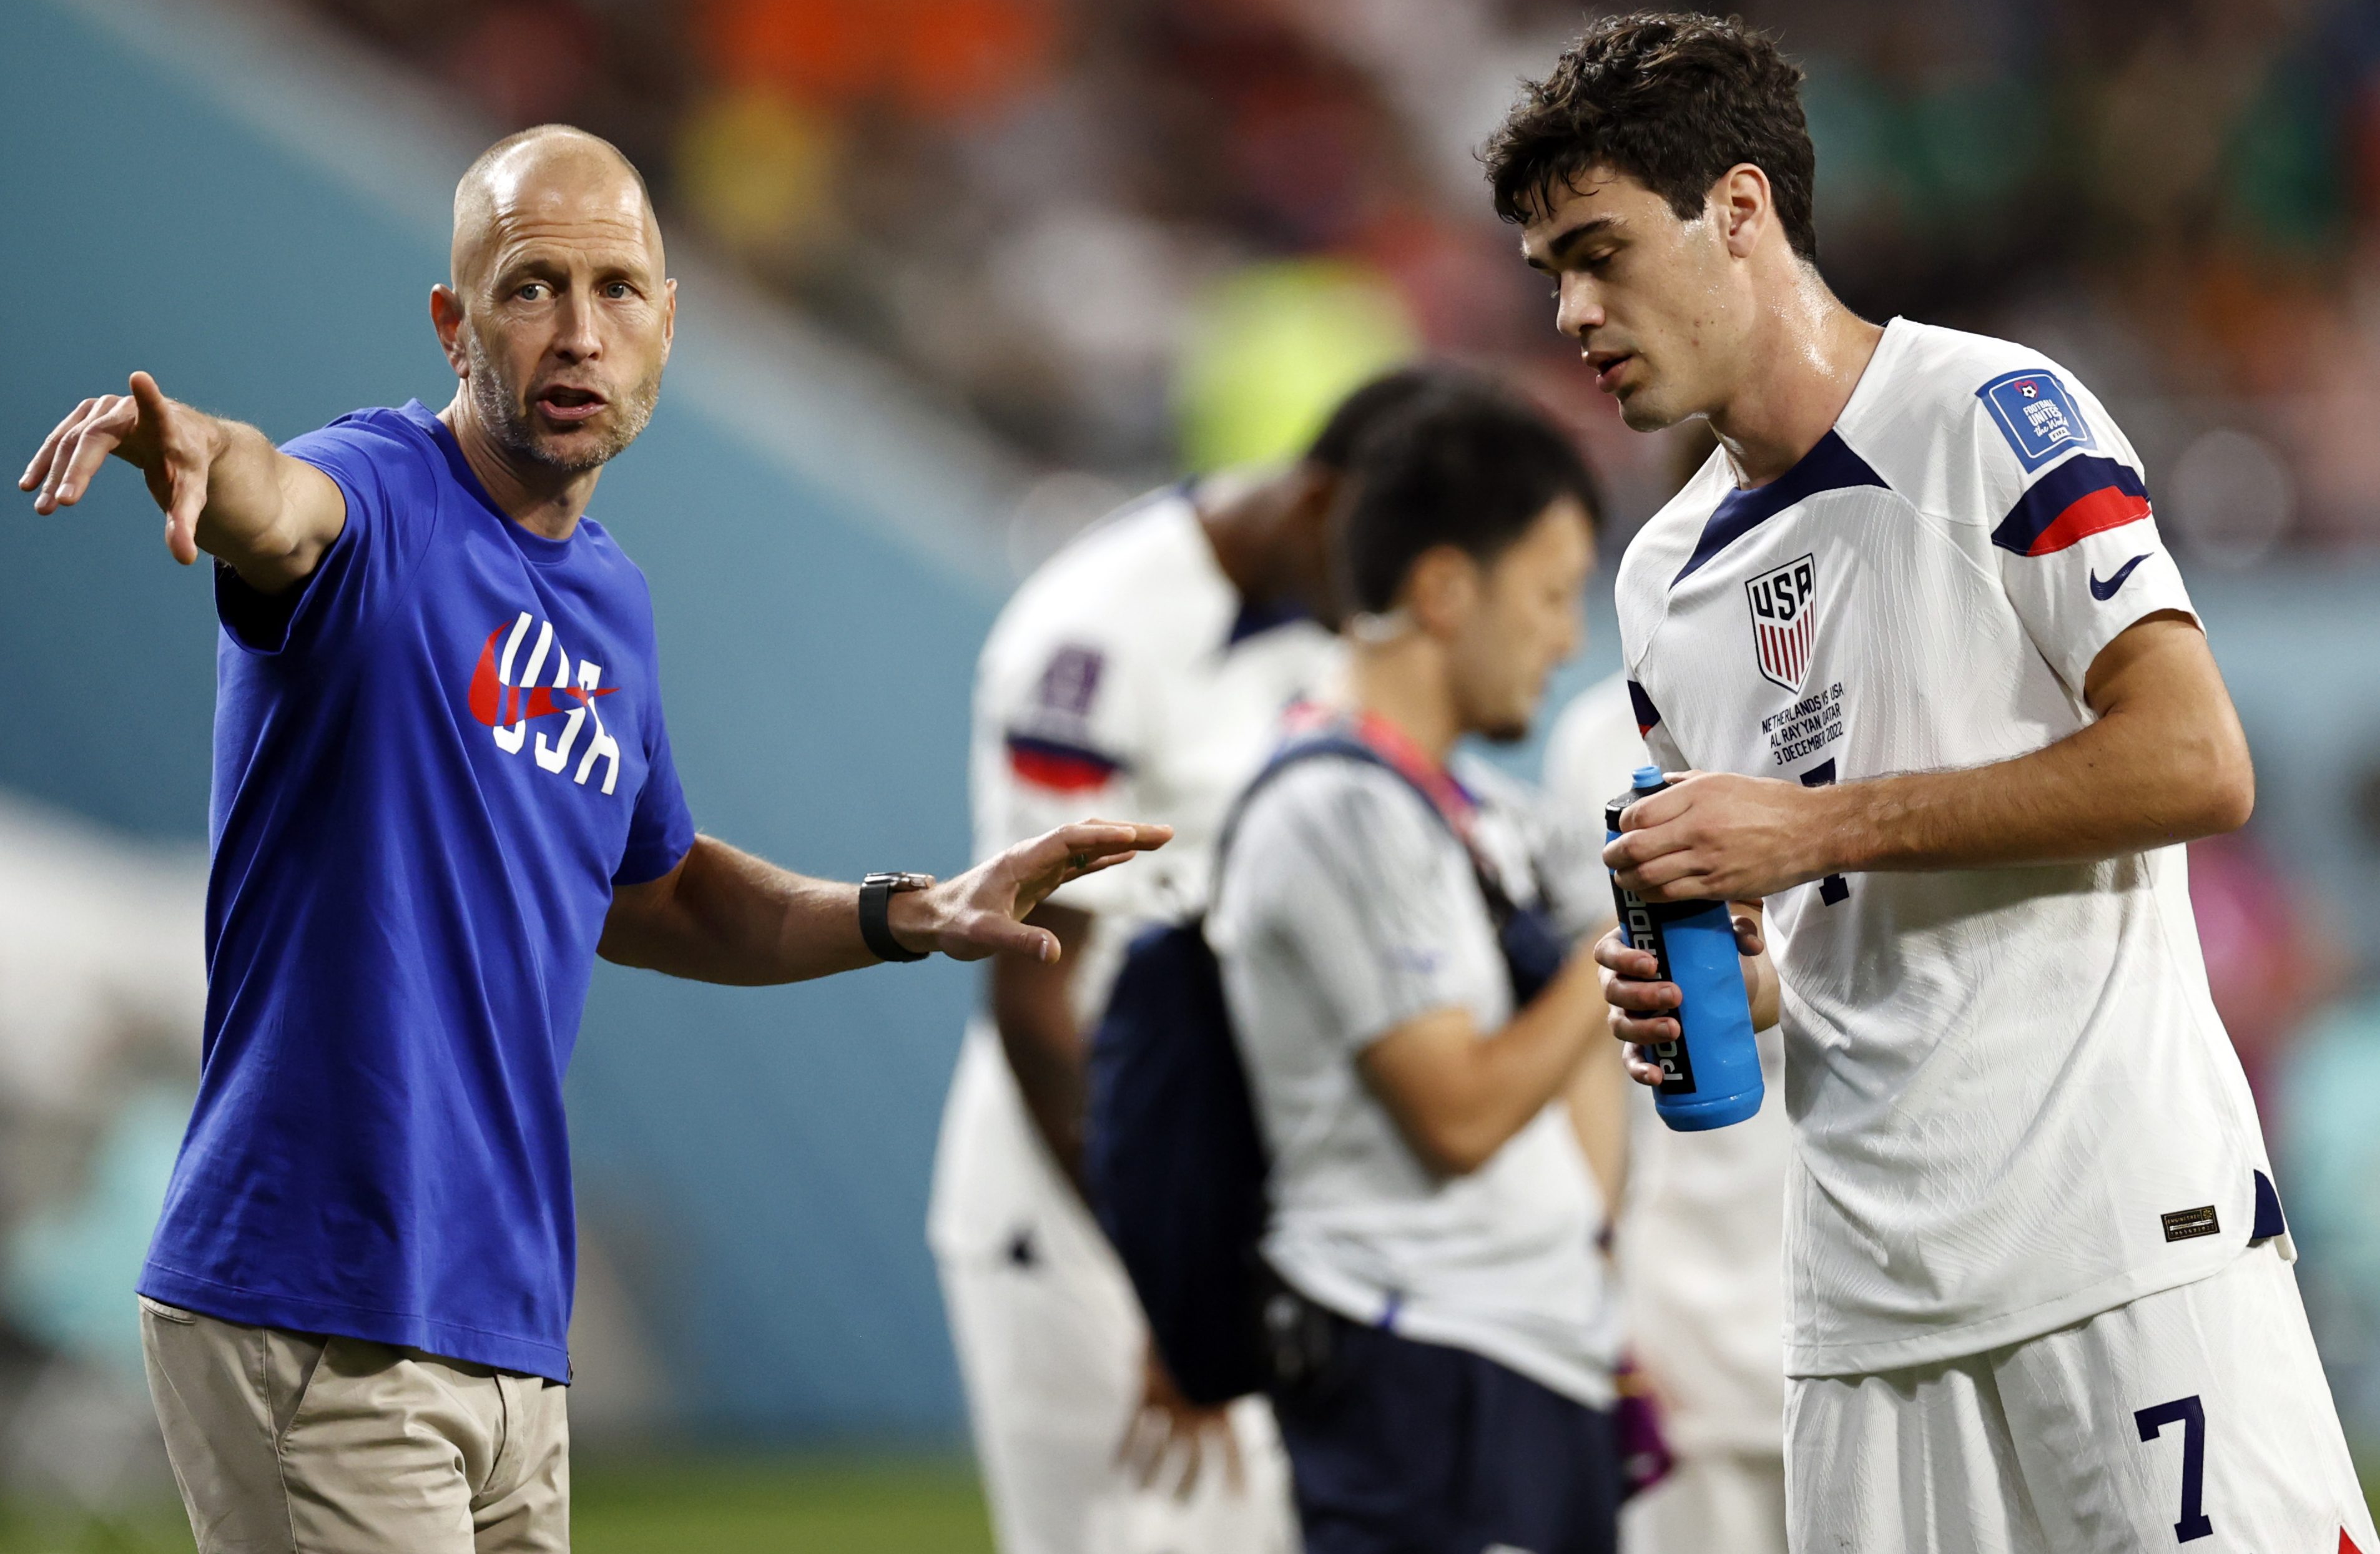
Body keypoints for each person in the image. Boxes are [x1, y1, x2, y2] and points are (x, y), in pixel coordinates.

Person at [16, 124, 1167, 1554]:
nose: (577, 331)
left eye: (617, 288)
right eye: (529, 286)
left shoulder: (606, 602)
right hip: (316, 1287)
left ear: (669, 322)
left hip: (503, 1315)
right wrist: (198, 448)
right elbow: (277, 504)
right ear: (452, 322)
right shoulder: (370, 495)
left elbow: (662, 885)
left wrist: (904, 910)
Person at [1487, 11, 2377, 1554]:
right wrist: (1749, 980)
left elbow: (2195, 756)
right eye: (1548, 272)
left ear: (1742, 210)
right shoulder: (1659, 580)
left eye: (1600, 251)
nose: (1571, 308)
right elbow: (1820, 910)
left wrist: (1810, 826)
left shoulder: (1985, 416)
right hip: (1857, 1299)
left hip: (2119, 1240)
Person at [929, 370, 1456, 1554]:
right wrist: (1169, 1272)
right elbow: (1033, 985)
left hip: (1231, 1179)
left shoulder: (1328, 621)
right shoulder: (1096, 635)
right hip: (1084, 1190)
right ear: (1322, 503)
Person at [1205, 377, 1624, 1554]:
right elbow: (1460, 1110)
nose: (1565, 635)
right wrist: (1615, 949)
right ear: (1444, 590)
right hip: (1426, 1369)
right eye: (1549, 593)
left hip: (1528, 1350)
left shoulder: (1470, 804)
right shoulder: (1333, 808)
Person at [1543, 675, 1790, 1554]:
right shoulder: (1598, 740)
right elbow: (1590, 1047)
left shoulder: (1885, 680)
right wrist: (1600, 1292)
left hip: (1896, 1287)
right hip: (1691, 1312)